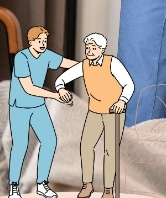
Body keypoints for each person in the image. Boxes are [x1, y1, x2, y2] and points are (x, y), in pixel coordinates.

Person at [55, 33, 134, 198]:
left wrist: (122, 101)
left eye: (93, 47)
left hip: (113, 112)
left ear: (102, 49)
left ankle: (108, 190)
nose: (90, 50)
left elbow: (128, 84)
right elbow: (61, 79)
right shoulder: (83, 66)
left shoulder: (112, 63)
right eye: (88, 47)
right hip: (94, 112)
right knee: (86, 146)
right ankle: (87, 185)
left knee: (110, 150)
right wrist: (61, 88)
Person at [8, 27, 76, 198]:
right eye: (39, 41)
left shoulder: (46, 55)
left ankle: (41, 184)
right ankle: (14, 187)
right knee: (20, 146)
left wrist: (90, 65)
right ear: (31, 42)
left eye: (45, 41)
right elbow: (29, 88)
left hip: (38, 106)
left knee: (50, 141)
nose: (42, 44)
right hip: (20, 107)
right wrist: (55, 95)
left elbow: (66, 63)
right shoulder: (22, 58)